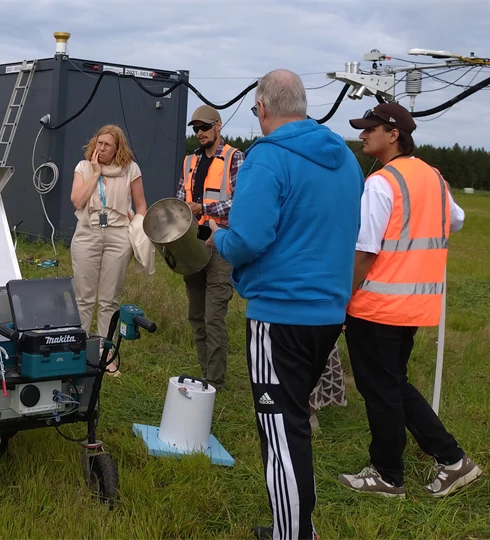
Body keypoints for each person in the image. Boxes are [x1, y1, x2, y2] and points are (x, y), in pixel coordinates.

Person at [208, 69, 363, 540]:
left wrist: (219, 239)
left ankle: (292, 534)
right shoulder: (346, 159)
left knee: (280, 433)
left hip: (278, 315)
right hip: (329, 314)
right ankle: (295, 526)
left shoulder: (267, 157)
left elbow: (249, 238)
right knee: (293, 420)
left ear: (262, 109)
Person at [338, 102, 483, 498]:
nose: (363, 134)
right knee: (394, 384)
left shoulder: (382, 183)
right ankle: (452, 460)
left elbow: (365, 251)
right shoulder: (433, 177)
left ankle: (388, 475)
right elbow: (456, 220)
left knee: (380, 390)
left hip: (376, 306)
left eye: (370, 129)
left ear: (393, 134)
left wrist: (341, 298)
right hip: (413, 307)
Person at [175, 105, 244, 391]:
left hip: (220, 245)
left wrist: (203, 206)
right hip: (192, 243)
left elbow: (240, 200)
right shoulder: (189, 161)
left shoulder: (234, 157)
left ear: (218, 126)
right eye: (196, 129)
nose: (200, 133)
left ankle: (215, 382)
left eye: (205, 127)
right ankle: (206, 373)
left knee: (213, 317)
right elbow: (180, 201)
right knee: (196, 316)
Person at [70, 125, 148, 375]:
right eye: (99, 143)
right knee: (83, 296)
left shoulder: (130, 170)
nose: (101, 148)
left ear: (118, 149)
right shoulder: (83, 167)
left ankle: (105, 354)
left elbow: (141, 205)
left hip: (117, 235)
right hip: (88, 232)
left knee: (108, 299)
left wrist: (137, 231)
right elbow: (77, 200)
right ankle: (79, 352)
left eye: (107, 145)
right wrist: (95, 173)